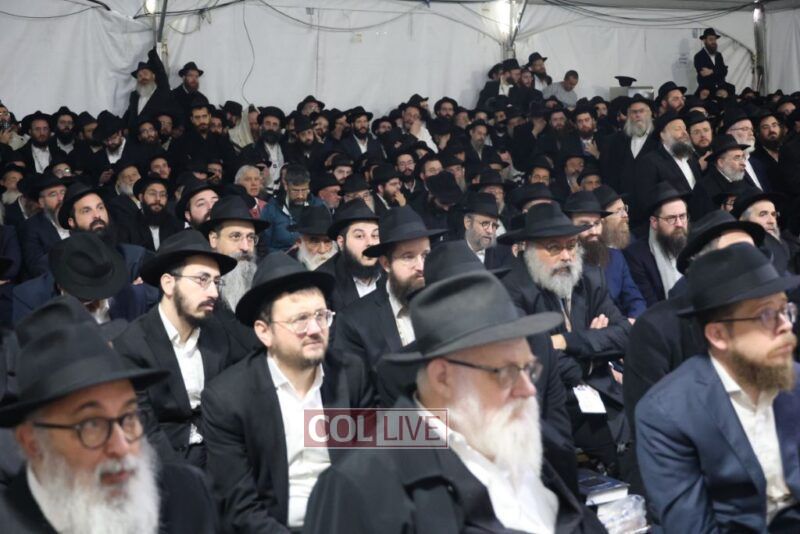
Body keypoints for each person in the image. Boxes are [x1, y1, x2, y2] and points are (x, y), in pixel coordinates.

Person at [304, 271, 605, 533]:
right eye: (506, 374)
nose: (528, 390)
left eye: (528, 369)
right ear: (443, 378)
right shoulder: (361, 486)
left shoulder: (525, 441)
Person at [0, 301, 219, 534]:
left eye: (129, 417)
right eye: (92, 424)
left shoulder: (188, 496)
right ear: (32, 442)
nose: (122, 447)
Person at [199, 252, 373, 533]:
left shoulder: (350, 374)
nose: (315, 330)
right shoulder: (228, 398)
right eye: (300, 320)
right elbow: (239, 507)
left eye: (321, 316)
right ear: (264, 332)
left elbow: (370, 467)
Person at [636, 243, 800, 532]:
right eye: (766, 314)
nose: (786, 325)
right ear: (719, 335)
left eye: (785, 309)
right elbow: (692, 528)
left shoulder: (795, 379)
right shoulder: (667, 413)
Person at [499, 203, 633, 476]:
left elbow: (625, 335)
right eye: (554, 248)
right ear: (528, 249)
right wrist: (593, 359)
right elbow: (537, 358)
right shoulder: (512, 289)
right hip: (549, 406)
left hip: (604, 396)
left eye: (571, 245)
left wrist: (568, 342)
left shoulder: (590, 277)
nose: (567, 256)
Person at [624, 210, 764, 430]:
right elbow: (653, 424)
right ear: (704, 265)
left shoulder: (765, 318)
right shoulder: (656, 329)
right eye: (738, 254)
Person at [113, 230, 237, 468]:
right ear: (168, 284)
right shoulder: (132, 344)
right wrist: (184, 480)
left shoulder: (218, 332)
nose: (213, 292)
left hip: (217, 455)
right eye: (202, 280)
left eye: (216, 282)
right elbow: (144, 430)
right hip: (165, 463)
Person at [333, 206, 445, 367]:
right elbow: (354, 382)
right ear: (386, 263)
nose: (421, 266)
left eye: (425, 255)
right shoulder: (354, 322)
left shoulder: (448, 303)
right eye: (408, 257)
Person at [12, 232, 150, 325]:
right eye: (85, 294)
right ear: (61, 284)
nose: (93, 297)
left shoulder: (132, 297)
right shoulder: (30, 300)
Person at [564, 190, 646, 320]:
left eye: (597, 223)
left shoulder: (616, 257)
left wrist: (634, 321)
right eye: (584, 225)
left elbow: (635, 299)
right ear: (568, 226)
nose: (593, 231)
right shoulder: (563, 264)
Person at [628, 112, 700, 229]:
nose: (684, 133)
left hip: (697, 225)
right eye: (678, 129)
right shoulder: (650, 162)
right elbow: (646, 201)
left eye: (685, 129)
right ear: (663, 135)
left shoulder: (692, 159)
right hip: (670, 226)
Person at [624, 183, 691, 307]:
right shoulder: (636, 255)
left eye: (682, 216)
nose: (679, 224)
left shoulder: (696, 246)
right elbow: (650, 305)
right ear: (654, 222)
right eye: (671, 218)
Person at [317, 199, 381, 311]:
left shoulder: (391, 269)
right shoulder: (323, 282)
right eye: (359, 236)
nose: (370, 242)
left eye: (375, 235)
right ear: (341, 242)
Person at [600, 94, 657, 195]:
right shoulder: (615, 141)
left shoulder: (659, 138)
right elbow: (609, 173)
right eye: (634, 112)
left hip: (652, 196)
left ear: (650, 113)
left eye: (641, 111)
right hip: (623, 198)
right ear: (628, 116)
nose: (638, 115)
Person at [260, 164, 324, 251]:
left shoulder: (319, 206)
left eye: (304, 190)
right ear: (286, 186)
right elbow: (264, 246)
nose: (300, 195)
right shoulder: (271, 209)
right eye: (295, 190)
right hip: (281, 257)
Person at [690, 134, 753, 218]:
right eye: (737, 158)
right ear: (721, 162)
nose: (743, 163)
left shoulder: (744, 182)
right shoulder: (703, 188)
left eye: (743, 157)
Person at [19, 173, 69, 277]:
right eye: (53, 194)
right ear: (41, 202)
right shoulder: (31, 227)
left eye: (63, 192)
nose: (60, 198)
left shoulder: (78, 217)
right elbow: (37, 266)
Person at [123, 47, 174, 132]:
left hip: (153, 137)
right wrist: (123, 127)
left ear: (153, 76)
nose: (143, 77)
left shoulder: (162, 92)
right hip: (134, 137)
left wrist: (152, 53)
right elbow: (129, 113)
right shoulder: (134, 95)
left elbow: (161, 72)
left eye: (145, 74)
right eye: (139, 76)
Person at [461, 192, 514, 269]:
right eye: (485, 224)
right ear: (468, 223)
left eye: (494, 225)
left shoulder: (504, 254)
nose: (490, 231)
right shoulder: (450, 253)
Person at [288, 205, 337, 270]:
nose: (322, 250)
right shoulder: (288, 269)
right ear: (299, 242)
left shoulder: (341, 265)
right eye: (315, 242)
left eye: (327, 241)